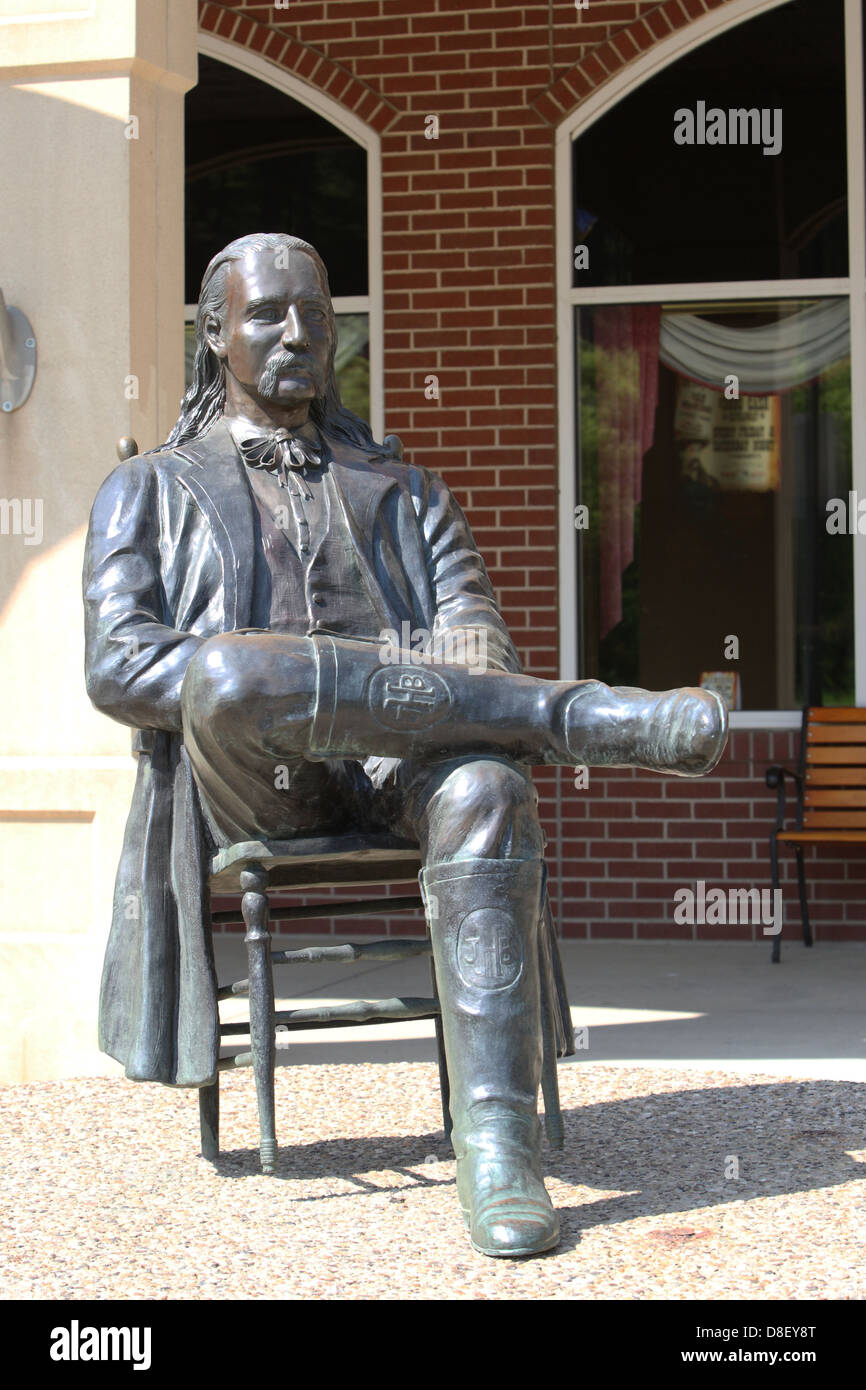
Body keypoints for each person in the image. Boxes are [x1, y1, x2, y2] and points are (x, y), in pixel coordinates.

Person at [83, 232, 727, 1258]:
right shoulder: (147, 491)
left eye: (316, 313)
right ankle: (581, 718)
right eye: (266, 314)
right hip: (260, 777)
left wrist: (425, 679)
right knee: (232, 671)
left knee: (485, 788)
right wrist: (273, 681)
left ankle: (497, 1143)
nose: (299, 333)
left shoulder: (406, 491)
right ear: (213, 334)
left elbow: (476, 640)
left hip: (400, 772)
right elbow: (118, 668)